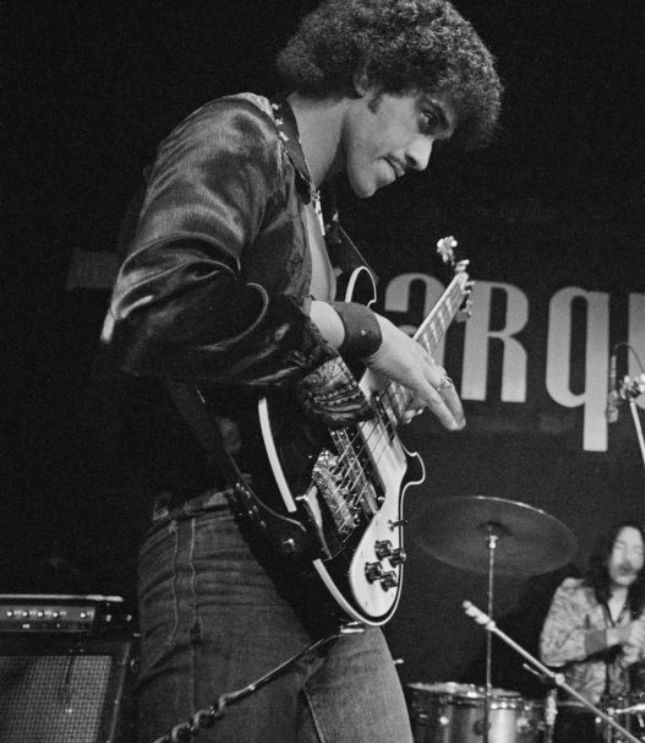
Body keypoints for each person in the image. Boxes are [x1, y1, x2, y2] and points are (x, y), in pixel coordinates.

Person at [100, 1, 501, 741]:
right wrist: (364, 329)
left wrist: (369, 400)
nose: (422, 158)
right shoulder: (236, 134)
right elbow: (155, 307)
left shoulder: (334, 238)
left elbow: (287, 378)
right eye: (426, 119)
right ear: (371, 72)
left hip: (330, 583)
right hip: (224, 548)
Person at [539, 521, 645, 743]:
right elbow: (549, 651)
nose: (627, 559)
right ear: (606, 552)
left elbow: (641, 678)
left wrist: (630, 657)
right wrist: (611, 636)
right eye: (620, 547)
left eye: (637, 551)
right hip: (574, 720)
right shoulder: (574, 592)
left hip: (622, 726)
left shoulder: (644, 609)